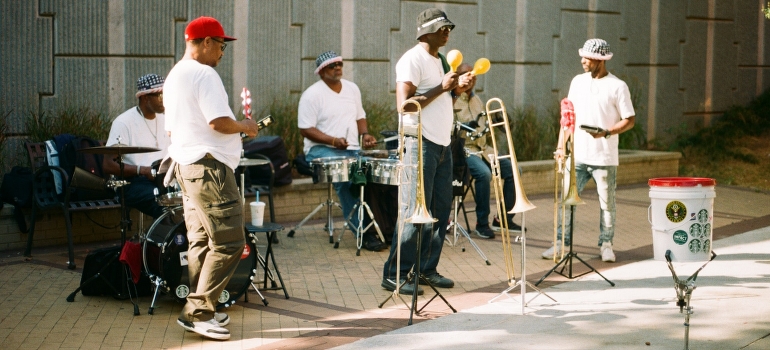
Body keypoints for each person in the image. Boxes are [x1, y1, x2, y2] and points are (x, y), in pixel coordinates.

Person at [163, 16, 259, 340]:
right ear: (205, 43)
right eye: (220, 45)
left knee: (201, 241)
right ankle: (198, 312)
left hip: (187, 166)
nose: (221, 52)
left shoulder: (175, 75)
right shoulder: (204, 73)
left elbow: (176, 129)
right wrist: (245, 126)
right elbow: (218, 122)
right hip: (209, 169)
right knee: (231, 241)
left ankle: (203, 307)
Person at [381, 8, 473, 295]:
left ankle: (425, 270)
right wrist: (441, 86)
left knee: (440, 211)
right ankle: (396, 274)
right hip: (419, 143)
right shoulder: (412, 59)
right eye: (442, 28)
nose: (447, 32)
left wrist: (458, 88)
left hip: (443, 144)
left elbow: (444, 97)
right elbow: (404, 105)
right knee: (413, 211)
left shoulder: (441, 60)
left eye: (449, 28)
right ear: (425, 31)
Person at [541, 38, 635, 263]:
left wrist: (607, 132)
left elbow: (629, 120)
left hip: (604, 156)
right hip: (577, 155)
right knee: (566, 200)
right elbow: (568, 117)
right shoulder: (577, 82)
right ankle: (560, 243)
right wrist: (560, 146)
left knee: (607, 204)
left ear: (600, 60)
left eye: (587, 57)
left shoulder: (618, 86)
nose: (582, 60)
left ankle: (606, 244)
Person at [297, 50, 387, 252]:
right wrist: (333, 140)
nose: (338, 68)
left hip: (351, 150)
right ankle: (364, 235)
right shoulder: (311, 95)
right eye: (332, 65)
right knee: (348, 181)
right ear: (321, 71)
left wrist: (364, 135)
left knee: (373, 178)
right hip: (321, 150)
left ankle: (385, 230)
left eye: (339, 64)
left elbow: (360, 116)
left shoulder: (352, 89)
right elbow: (305, 128)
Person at [451, 63, 523, 239]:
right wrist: (465, 128)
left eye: (473, 76)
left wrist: (497, 120)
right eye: (466, 75)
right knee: (484, 174)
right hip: (465, 150)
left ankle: (503, 219)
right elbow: (451, 129)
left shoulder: (477, 100)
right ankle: (481, 223)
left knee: (515, 169)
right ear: (457, 76)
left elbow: (484, 126)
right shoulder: (452, 98)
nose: (470, 79)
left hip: (484, 149)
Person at [103, 74, 171, 221]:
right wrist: (142, 170)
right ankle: (163, 243)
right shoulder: (124, 122)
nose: (164, 99)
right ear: (145, 98)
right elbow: (108, 164)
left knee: (189, 199)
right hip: (132, 183)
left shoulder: (167, 121)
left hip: (163, 179)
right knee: (164, 205)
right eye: (159, 95)